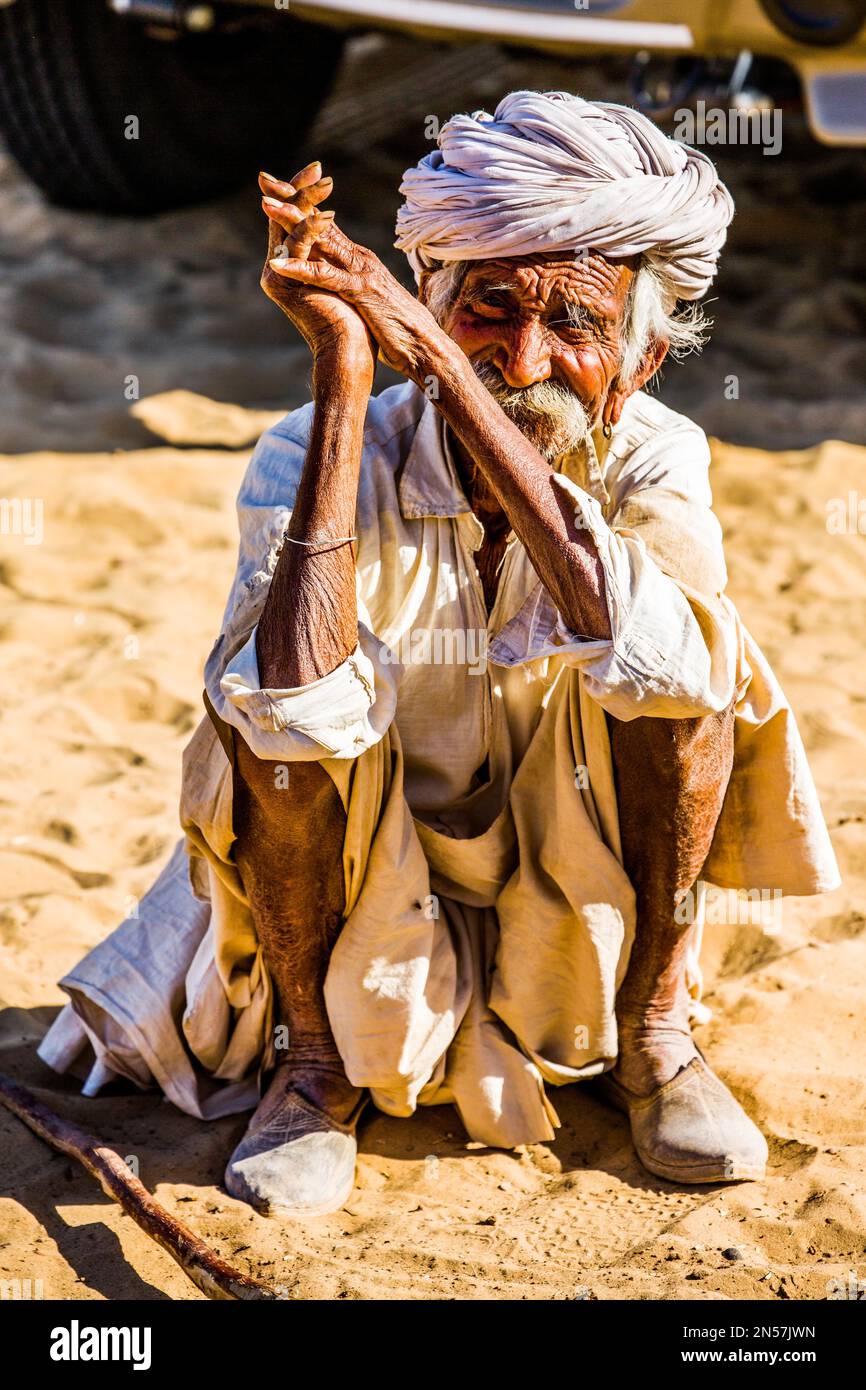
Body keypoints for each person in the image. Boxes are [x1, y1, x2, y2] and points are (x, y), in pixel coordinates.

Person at [40, 92, 839, 1218]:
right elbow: (288, 709)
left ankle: (653, 1034)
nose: (524, 356)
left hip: (570, 861)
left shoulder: (659, 459)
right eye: (485, 311)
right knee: (265, 722)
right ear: (429, 305)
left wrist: (441, 371)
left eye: (574, 327)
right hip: (359, 868)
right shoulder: (314, 446)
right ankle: (313, 1067)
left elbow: (666, 670)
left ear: (644, 358)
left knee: (695, 678)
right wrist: (345, 375)